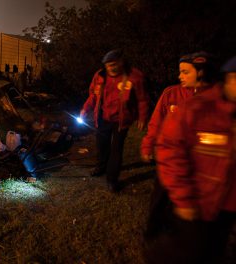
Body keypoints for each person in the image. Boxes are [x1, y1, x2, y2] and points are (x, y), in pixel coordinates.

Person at [147, 56, 236, 264]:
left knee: (214, 250)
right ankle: (153, 234)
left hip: (227, 207)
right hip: (199, 204)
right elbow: (166, 140)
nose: (180, 76)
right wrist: (184, 198)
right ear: (228, 79)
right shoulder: (197, 108)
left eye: (185, 71)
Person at [140, 52, 219, 239]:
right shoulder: (171, 93)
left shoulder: (216, 97)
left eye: (185, 72)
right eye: (180, 72)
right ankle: (152, 230)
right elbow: (156, 122)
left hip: (198, 165)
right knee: (160, 198)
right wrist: (147, 145)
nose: (179, 76)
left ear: (200, 73)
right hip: (169, 161)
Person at [80, 49, 149, 192]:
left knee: (116, 149)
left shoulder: (134, 76)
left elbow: (142, 99)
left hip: (122, 120)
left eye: (113, 64)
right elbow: (93, 95)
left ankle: (112, 179)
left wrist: (142, 116)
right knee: (102, 145)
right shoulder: (100, 76)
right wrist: (85, 109)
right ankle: (101, 167)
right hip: (102, 117)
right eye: (108, 65)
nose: (111, 68)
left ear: (121, 62)